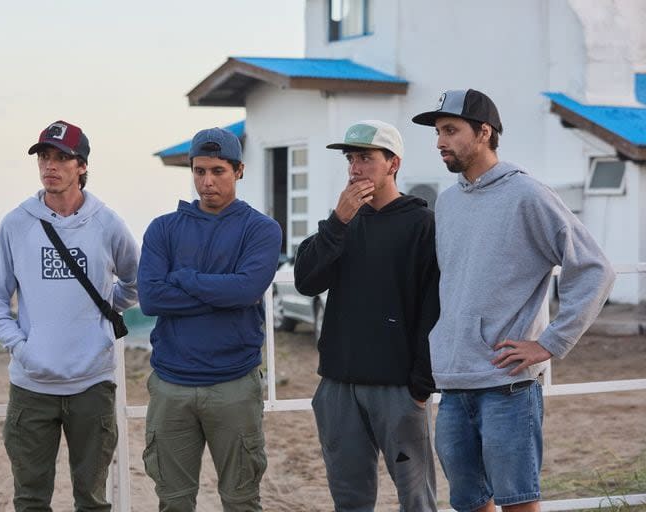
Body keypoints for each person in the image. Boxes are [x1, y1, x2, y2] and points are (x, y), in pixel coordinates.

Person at [411, 89, 616, 512]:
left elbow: (594, 267)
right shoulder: (447, 203)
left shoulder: (527, 194)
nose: (439, 142)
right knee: (469, 503)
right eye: (437, 132)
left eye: (451, 130)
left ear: (484, 132)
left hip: (507, 384)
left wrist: (550, 342)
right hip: (454, 381)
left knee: (518, 504)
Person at [0, 120, 140, 512]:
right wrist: (23, 348)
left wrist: (103, 318)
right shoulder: (17, 223)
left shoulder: (107, 223)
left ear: (82, 166)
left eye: (62, 158)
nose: (50, 166)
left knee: (92, 500)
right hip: (32, 385)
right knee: (31, 499)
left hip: (92, 383)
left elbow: (136, 282)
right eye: (45, 157)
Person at [294, 120, 439, 511]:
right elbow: (306, 281)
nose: (355, 168)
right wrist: (337, 222)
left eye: (365, 158)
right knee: (350, 500)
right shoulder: (342, 222)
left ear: (393, 163)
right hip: (338, 385)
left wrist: (421, 386)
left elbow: (434, 308)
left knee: (417, 499)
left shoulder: (422, 224)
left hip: (398, 388)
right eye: (350, 159)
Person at [137, 127, 282, 511]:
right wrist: (221, 293)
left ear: (238, 171)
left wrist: (183, 278)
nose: (207, 181)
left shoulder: (261, 229)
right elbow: (150, 298)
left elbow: (246, 291)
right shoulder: (163, 229)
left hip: (233, 384)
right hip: (171, 385)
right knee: (173, 501)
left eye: (217, 171)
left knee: (241, 499)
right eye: (199, 171)